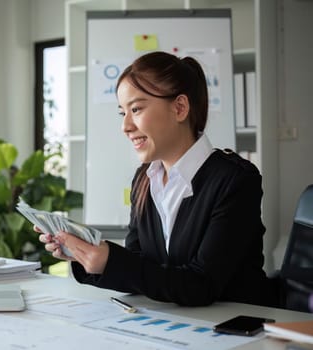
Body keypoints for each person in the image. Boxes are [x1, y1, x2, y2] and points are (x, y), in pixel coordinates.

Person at [36, 51, 285, 308]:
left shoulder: (236, 180)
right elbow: (139, 263)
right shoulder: (145, 178)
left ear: (179, 108)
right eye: (123, 113)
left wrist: (111, 261)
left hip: (234, 330)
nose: (126, 126)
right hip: (174, 323)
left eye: (136, 109)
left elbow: (202, 285)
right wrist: (84, 255)